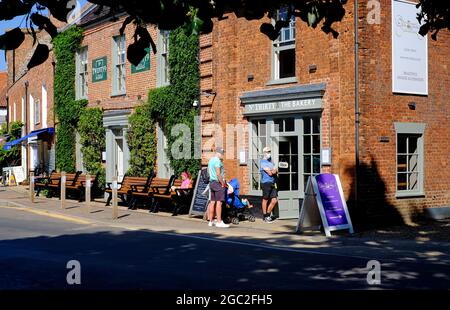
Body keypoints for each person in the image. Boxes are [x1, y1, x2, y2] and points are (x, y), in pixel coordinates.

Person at [206, 147, 229, 228]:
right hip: (218, 183)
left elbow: (208, 172)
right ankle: (219, 222)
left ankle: (210, 221)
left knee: (212, 202)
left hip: (211, 183)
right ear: (218, 153)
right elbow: (218, 174)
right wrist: (222, 183)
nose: (223, 155)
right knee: (219, 203)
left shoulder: (211, 160)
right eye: (222, 154)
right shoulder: (217, 161)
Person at [260, 146, 278, 223]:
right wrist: (273, 170)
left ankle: (268, 214)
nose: (269, 153)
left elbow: (276, 170)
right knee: (265, 199)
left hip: (273, 183)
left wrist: (274, 170)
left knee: (274, 200)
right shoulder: (262, 162)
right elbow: (270, 173)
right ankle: (265, 216)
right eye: (267, 152)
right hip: (266, 183)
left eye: (269, 151)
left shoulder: (271, 161)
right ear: (264, 153)